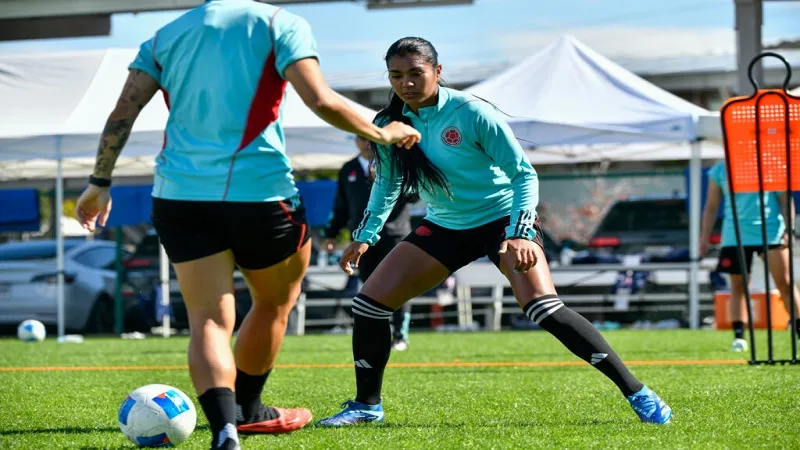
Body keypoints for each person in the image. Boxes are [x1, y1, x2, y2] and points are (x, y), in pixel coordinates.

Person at [73, 2, 421, 449]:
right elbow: (321, 100)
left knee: (208, 320)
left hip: (180, 195)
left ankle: (225, 431)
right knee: (275, 302)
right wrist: (385, 133)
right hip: (261, 194)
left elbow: (123, 112)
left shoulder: (165, 36)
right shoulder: (281, 24)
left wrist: (99, 182)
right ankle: (250, 410)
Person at [316, 37, 672, 427]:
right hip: (446, 225)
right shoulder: (387, 124)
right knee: (369, 304)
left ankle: (638, 392)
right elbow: (387, 184)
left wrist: (520, 232)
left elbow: (523, 174)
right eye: (396, 75)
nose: (407, 83)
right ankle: (367, 405)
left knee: (542, 308)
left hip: (503, 220)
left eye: (416, 73)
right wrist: (365, 235)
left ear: (437, 71)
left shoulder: (471, 113)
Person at [323, 135, 416, 351]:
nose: (366, 143)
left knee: (398, 284)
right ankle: (378, 333)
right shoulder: (349, 169)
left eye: (370, 138)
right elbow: (341, 204)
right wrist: (331, 233)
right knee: (369, 286)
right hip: (361, 238)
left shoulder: (397, 162)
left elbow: (415, 194)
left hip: (395, 234)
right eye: (361, 138)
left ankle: (400, 334)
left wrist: (395, 185)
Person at [700, 160, 800, 352]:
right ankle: (739, 337)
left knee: (785, 283)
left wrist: (790, 229)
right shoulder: (720, 169)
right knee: (738, 286)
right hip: (734, 234)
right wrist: (704, 237)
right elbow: (711, 206)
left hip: (771, 232)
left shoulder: (772, 165)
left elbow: (785, 200)